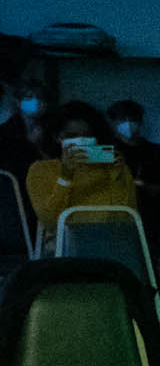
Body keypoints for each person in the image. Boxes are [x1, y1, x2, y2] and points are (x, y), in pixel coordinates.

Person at [25, 101, 137, 253]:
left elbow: (127, 220)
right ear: (57, 137)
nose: (80, 141)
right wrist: (65, 177)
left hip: (111, 245)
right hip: (66, 247)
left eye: (87, 135)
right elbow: (50, 222)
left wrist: (118, 178)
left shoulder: (113, 167)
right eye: (71, 136)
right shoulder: (42, 170)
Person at [107, 99, 160, 251]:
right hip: (114, 210)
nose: (128, 124)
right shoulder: (106, 152)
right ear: (113, 123)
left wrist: (146, 186)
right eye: (122, 120)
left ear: (140, 122)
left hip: (150, 212)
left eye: (132, 119)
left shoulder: (156, 152)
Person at [0, 79, 51, 184]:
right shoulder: (6, 131)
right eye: (29, 97)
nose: (37, 101)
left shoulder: (53, 125)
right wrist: (31, 145)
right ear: (18, 102)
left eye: (41, 97)